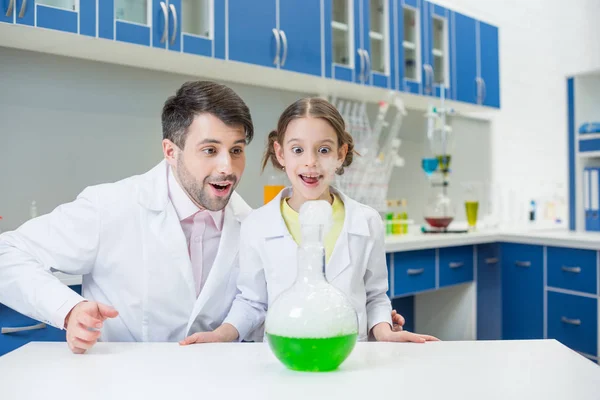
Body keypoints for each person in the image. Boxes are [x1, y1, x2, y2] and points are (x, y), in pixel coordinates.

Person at [0, 81, 258, 353]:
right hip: (121, 384)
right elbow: (7, 253)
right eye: (210, 150)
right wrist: (69, 309)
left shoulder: (250, 223)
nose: (227, 167)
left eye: (236, 150)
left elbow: (255, 303)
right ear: (171, 151)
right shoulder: (110, 207)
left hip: (213, 384)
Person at [181, 97, 437, 345]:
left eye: (324, 150)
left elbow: (375, 296)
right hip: (286, 355)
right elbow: (252, 302)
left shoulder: (366, 221)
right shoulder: (257, 225)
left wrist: (384, 331)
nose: (310, 162)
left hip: (350, 354)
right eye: (297, 150)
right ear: (280, 154)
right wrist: (222, 334)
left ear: (341, 153)